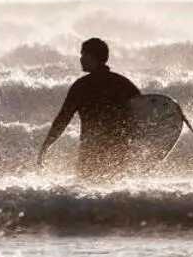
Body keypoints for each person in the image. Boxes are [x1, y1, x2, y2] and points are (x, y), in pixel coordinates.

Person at [38, 37, 141, 179]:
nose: (80, 59)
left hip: (91, 148)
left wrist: (46, 145)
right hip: (118, 149)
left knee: (88, 193)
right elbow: (143, 111)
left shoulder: (81, 86)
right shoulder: (122, 83)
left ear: (92, 57)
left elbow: (63, 118)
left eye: (83, 54)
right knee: (114, 192)